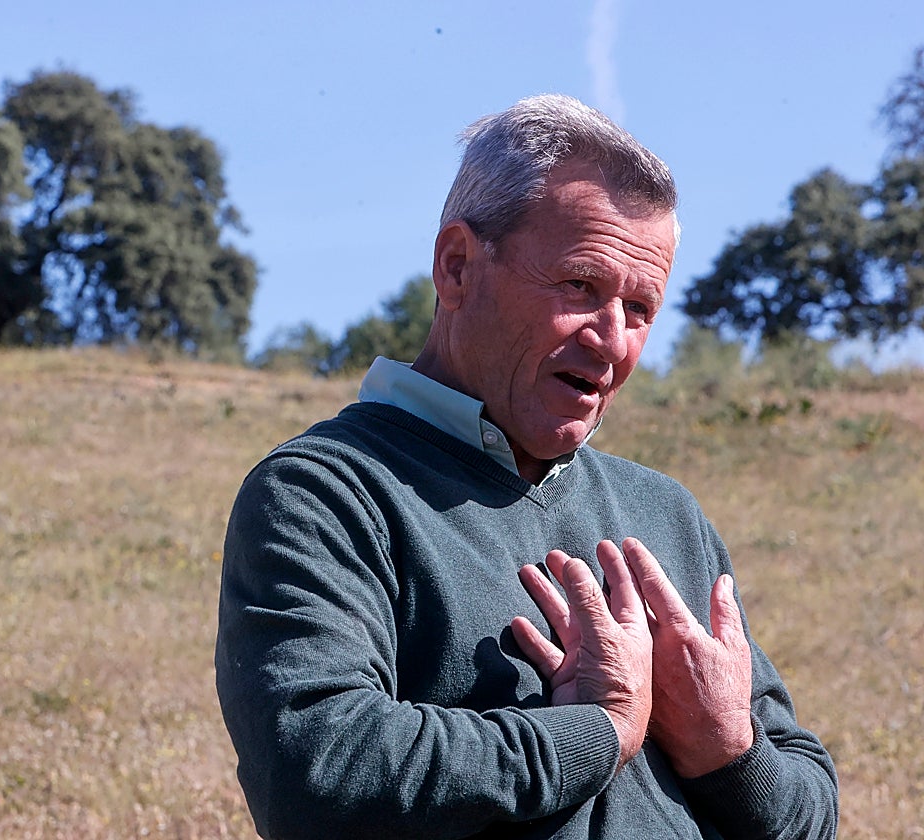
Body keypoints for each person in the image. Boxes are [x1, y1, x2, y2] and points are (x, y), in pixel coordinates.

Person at [215, 94, 838, 839]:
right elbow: (316, 769)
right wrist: (596, 733)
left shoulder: (665, 513)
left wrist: (729, 752)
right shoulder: (327, 491)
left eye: (640, 309)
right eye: (580, 286)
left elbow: (812, 812)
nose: (612, 340)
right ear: (456, 267)